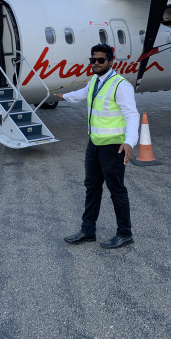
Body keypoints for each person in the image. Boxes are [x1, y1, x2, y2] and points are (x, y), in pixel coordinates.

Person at [55, 43, 140, 249]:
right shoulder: (95, 80)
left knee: (117, 190)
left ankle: (125, 233)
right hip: (94, 144)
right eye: (93, 60)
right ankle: (88, 230)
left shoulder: (120, 85)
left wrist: (129, 142)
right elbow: (84, 92)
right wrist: (65, 97)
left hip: (113, 147)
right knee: (92, 188)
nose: (96, 63)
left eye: (100, 60)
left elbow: (132, 115)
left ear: (110, 61)